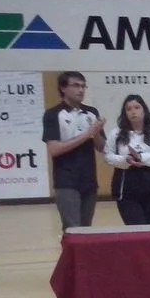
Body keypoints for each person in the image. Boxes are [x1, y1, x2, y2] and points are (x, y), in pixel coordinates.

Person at [41, 71, 106, 233]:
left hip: (89, 181)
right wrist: (87, 134)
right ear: (63, 88)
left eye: (83, 86)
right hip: (66, 182)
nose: (81, 90)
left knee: (86, 230)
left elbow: (101, 147)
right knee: (73, 230)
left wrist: (97, 132)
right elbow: (54, 149)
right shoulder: (53, 114)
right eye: (76, 85)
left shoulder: (92, 112)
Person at [103, 94, 150, 226]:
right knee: (136, 227)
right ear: (125, 113)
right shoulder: (116, 134)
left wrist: (142, 157)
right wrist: (125, 160)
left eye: (137, 107)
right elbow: (107, 156)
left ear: (144, 110)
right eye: (128, 109)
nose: (133, 111)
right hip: (126, 190)